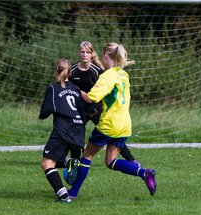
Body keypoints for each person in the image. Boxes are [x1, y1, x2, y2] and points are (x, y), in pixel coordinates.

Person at [68, 43, 157, 198]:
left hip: (109, 125)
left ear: (105, 56)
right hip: (125, 125)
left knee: (87, 156)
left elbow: (91, 98)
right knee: (110, 161)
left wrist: (78, 91)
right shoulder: (123, 75)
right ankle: (144, 173)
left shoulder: (107, 76)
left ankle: (72, 193)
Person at [69, 41, 141, 167]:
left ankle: (131, 160)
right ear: (78, 53)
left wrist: (81, 93)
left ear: (92, 54)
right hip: (80, 109)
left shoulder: (100, 71)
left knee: (109, 139)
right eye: (82, 51)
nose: (85, 54)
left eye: (87, 52)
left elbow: (95, 95)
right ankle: (75, 161)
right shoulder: (73, 70)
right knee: (75, 134)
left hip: (97, 108)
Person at [39, 59, 85, 203]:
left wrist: (43, 115)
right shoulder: (76, 89)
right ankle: (69, 163)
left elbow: (45, 111)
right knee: (57, 159)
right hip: (79, 129)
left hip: (63, 129)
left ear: (56, 71)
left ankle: (63, 195)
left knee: (47, 164)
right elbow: (82, 112)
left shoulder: (53, 88)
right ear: (70, 72)